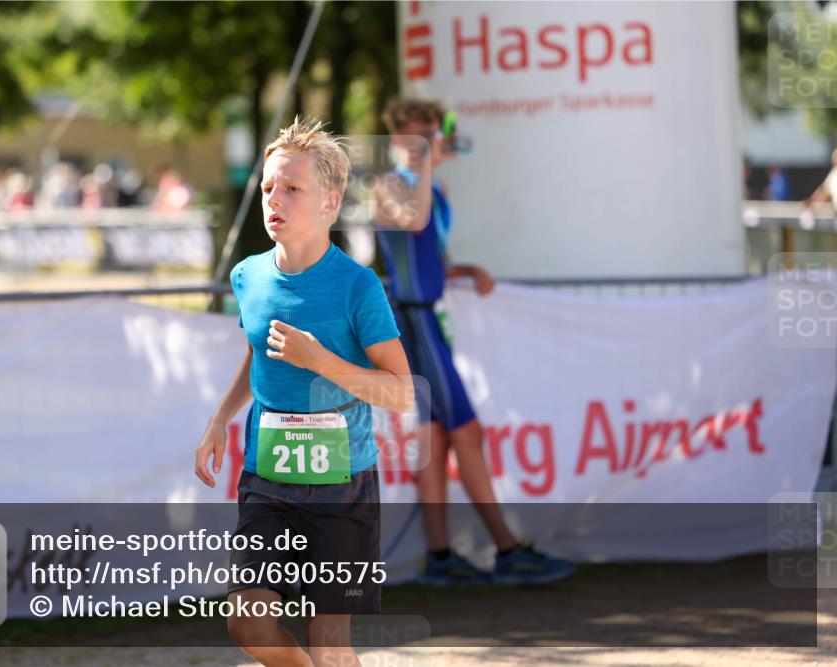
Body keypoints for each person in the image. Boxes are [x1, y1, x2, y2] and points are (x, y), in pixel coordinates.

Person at [195, 117, 413, 667]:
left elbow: (400, 393)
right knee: (247, 618)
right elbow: (259, 350)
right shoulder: (248, 276)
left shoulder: (358, 286)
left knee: (331, 646)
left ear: (329, 203)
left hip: (342, 485)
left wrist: (320, 360)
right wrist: (220, 418)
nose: (276, 198)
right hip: (269, 480)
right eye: (268, 187)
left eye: (292, 188)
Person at [373, 98, 578, 586]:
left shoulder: (433, 187)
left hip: (428, 319)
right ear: (401, 140)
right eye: (422, 134)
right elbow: (414, 221)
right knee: (466, 431)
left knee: (440, 437)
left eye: (435, 133)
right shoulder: (387, 186)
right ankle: (507, 549)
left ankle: (442, 558)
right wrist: (422, 161)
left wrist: (467, 269)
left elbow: (430, 255)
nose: (436, 141)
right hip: (413, 322)